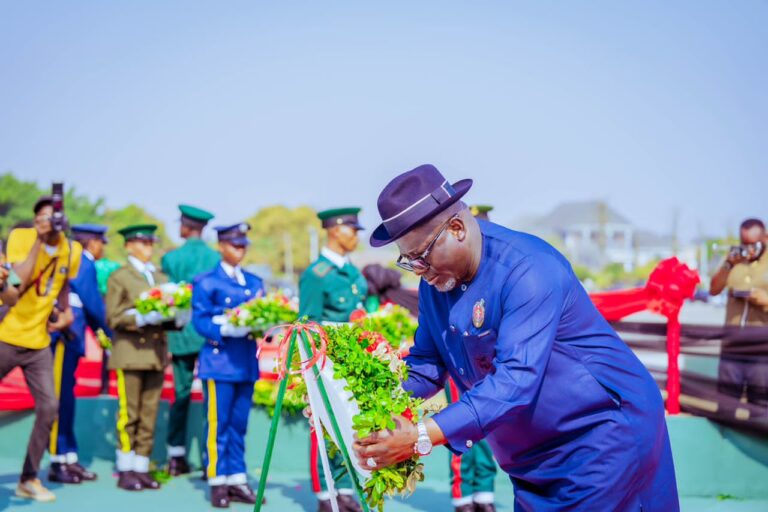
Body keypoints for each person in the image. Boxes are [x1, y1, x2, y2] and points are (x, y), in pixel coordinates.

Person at [354, 164, 679, 511]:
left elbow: (515, 381)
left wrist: (419, 436)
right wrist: (360, 402)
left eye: (421, 256)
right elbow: (426, 365)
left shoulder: (529, 269)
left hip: (600, 436)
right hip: (530, 458)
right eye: (408, 261)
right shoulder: (435, 282)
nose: (419, 270)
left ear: (458, 228)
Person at [0, 196, 82, 503]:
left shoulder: (73, 250)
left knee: (49, 407)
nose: (42, 222)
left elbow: (62, 282)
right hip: (7, 335)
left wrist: (64, 310)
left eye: (49, 218)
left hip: (38, 343)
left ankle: (28, 478)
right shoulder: (22, 238)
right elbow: (18, 281)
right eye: (38, 218)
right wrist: (41, 242)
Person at [299, 208, 367, 512]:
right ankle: (326, 494)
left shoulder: (354, 273)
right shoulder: (317, 275)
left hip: (352, 362)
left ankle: (343, 488)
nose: (355, 236)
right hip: (324, 363)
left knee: (347, 422)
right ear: (334, 230)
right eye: (351, 229)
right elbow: (306, 326)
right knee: (323, 426)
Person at [192, 222, 263, 508]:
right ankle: (217, 481)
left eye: (244, 244)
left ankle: (236, 478)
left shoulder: (255, 281)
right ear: (221, 246)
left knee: (238, 424)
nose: (240, 250)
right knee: (217, 425)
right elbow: (199, 320)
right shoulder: (206, 281)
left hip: (245, 361)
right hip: (219, 362)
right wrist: (224, 326)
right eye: (235, 244)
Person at [106, 224, 170, 491]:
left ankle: (142, 466)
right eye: (143, 243)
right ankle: (126, 467)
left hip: (155, 353)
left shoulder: (159, 276)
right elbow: (113, 316)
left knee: (149, 413)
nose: (148, 248)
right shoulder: (120, 276)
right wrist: (141, 317)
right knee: (129, 414)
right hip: (131, 353)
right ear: (129, 245)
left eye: (151, 243)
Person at [442, 204, 498, 512]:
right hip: (461, 367)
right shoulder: (450, 278)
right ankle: (463, 497)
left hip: (489, 369)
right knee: (462, 431)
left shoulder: (498, 278)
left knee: (489, 432)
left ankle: (484, 494)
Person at [48, 224, 113, 485]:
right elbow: (93, 303)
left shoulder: (76, 259)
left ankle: (68, 457)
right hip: (65, 337)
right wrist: (110, 332)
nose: (103, 248)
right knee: (59, 399)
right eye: (101, 242)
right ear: (92, 242)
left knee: (67, 398)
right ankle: (57, 460)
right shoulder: (82, 261)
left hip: (71, 336)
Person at [162, 204, 220, 475]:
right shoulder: (215, 258)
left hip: (181, 334)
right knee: (212, 397)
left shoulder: (171, 259)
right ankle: (212, 457)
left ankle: (176, 456)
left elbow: (165, 301)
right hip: (208, 336)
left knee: (181, 394)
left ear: (186, 227)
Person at [709, 218, 768, 409]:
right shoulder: (734, 259)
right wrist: (728, 263)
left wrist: (764, 300)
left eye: (753, 244)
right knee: (726, 404)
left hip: (761, 349)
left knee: (760, 407)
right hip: (732, 346)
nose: (748, 249)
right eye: (744, 243)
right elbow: (714, 289)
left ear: (765, 238)